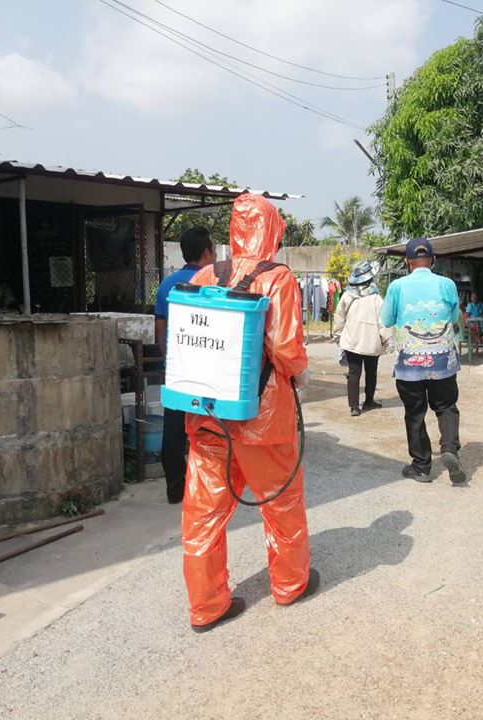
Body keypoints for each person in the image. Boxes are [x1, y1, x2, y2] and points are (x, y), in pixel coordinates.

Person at [180, 194, 317, 633]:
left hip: (208, 415)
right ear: (273, 230)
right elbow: (285, 349)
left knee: (204, 513)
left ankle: (206, 606)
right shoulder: (278, 278)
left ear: (234, 231)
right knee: (281, 503)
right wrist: (301, 374)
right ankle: (289, 584)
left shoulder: (204, 275)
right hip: (264, 420)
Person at [381, 238, 466, 485]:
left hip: (409, 363)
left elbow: (386, 320)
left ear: (407, 262)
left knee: (415, 412)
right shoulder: (447, 284)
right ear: (433, 260)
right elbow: (454, 315)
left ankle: (421, 467)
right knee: (446, 406)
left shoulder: (397, 286)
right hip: (443, 360)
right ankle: (449, 448)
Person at [154, 227, 215, 505]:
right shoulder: (213, 282)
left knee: (174, 428)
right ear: (207, 252)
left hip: (177, 367)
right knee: (210, 426)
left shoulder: (167, 284)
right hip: (209, 368)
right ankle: (208, 489)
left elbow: (160, 327)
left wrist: (169, 359)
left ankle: (175, 490)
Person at [333, 260, 391, 417]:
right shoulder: (376, 298)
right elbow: (383, 322)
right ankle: (369, 401)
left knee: (354, 373)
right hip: (372, 342)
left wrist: (337, 334)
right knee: (371, 372)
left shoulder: (347, 295)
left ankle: (354, 407)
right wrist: (387, 340)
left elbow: (339, 317)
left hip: (352, 340)